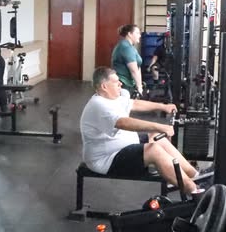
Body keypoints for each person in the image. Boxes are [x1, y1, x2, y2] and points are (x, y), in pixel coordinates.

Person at [80, 67, 202, 195]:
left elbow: (134, 104)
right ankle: (194, 190)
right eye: (116, 82)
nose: (120, 84)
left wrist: (163, 106)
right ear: (104, 86)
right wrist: (160, 126)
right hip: (106, 160)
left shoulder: (112, 98)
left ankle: (195, 175)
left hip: (120, 147)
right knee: (153, 150)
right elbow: (123, 123)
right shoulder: (98, 105)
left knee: (157, 137)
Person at [111, 24, 144, 98]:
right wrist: (139, 88)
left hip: (129, 83)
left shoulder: (130, 47)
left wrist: (139, 84)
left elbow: (137, 67)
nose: (139, 36)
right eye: (137, 33)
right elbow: (134, 70)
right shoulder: (126, 47)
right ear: (129, 34)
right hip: (123, 83)